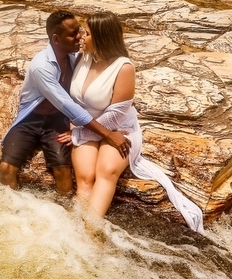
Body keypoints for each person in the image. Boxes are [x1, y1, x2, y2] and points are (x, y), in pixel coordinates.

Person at [64, 12, 204, 232]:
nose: (82, 36)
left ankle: (91, 232)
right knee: (85, 177)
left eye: (87, 33)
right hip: (86, 126)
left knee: (106, 171)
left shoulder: (124, 67)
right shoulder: (83, 57)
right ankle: (75, 230)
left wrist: (82, 133)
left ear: (101, 37)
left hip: (119, 128)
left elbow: (116, 115)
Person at [0, 10, 130, 197]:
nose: (80, 37)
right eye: (73, 34)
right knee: (6, 167)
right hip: (31, 120)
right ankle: (7, 208)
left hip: (57, 121)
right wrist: (107, 134)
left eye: (80, 31)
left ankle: (65, 212)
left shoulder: (75, 56)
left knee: (62, 170)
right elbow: (66, 104)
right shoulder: (41, 67)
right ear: (56, 38)